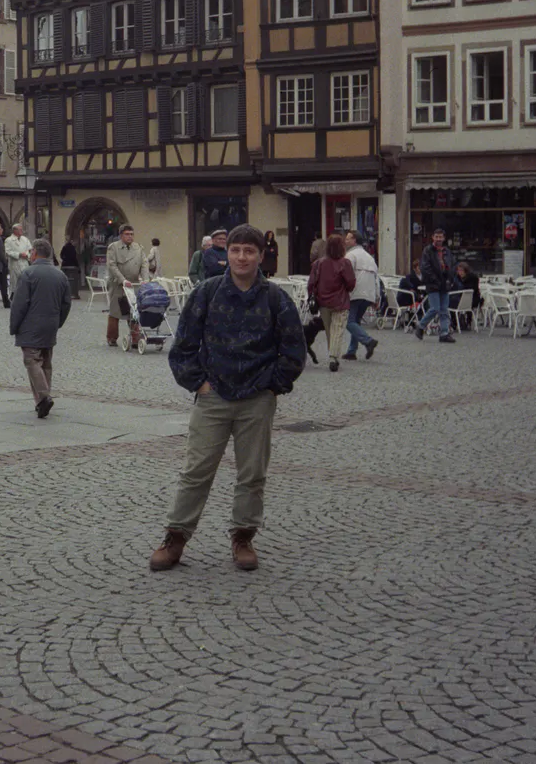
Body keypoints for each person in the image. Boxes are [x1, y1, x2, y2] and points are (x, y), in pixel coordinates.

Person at [149, 224, 306, 573]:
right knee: (196, 471)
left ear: (260, 257)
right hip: (214, 396)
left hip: (257, 399)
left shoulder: (276, 299)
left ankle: (243, 537)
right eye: (236, 250)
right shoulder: (206, 293)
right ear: (226, 254)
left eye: (249, 251)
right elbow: (183, 346)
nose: (241, 257)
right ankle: (175, 537)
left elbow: (294, 350)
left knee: (252, 474)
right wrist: (199, 384)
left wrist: (273, 386)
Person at [10, 238, 71, 418]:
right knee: (45, 361)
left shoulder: (28, 274)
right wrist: (58, 322)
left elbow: (19, 304)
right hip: (50, 324)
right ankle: (41, 401)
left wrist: (14, 326)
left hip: (30, 325)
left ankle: (44, 397)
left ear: (35, 253)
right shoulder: (60, 275)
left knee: (32, 360)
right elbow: (66, 303)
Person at [308, 234, 354, 372]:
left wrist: (311, 296)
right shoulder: (345, 263)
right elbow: (351, 283)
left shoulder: (318, 263)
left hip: (323, 302)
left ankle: (333, 355)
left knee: (329, 331)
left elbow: (311, 283)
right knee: (337, 330)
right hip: (340, 301)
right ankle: (333, 357)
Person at [105, 224, 147, 349]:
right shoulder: (113, 247)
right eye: (127, 234)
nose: (130, 237)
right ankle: (112, 338)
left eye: (132, 234)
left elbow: (144, 264)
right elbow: (112, 265)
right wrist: (122, 280)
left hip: (133, 284)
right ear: (121, 235)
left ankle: (135, 338)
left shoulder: (138, 248)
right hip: (118, 284)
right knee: (115, 311)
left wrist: (145, 280)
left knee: (134, 311)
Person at [414, 229, 456, 343]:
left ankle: (444, 333)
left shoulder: (447, 251)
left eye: (440, 237)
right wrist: (435, 280)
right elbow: (425, 268)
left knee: (444, 310)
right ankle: (421, 326)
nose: (438, 239)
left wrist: (450, 278)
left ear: (444, 238)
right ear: (432, 237)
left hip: (445, 284)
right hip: (433, 284)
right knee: (435, 308)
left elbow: (452, 265)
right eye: (436, 237)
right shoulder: (427, 251)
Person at [343, 231, 379, 361]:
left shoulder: (350, 255)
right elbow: (376, 278)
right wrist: (377, 297)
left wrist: (344, 291)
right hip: (369, 294)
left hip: (355, 292)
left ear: (354, 241)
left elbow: (346, 275)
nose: (345, 241)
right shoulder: (370, 257)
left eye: (348, 239)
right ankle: (351, 351)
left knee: (348, 322)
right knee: (356, 321)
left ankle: (368, 341)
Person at [450, 261, 482, 331]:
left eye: (462, 270)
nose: (460, 272)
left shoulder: (473, 278)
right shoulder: (457, 278)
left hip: (473, 299)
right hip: (460, 298)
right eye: (458, 271)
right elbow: (454, 288)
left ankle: (467, 321)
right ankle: (454, 322)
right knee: (450, 301)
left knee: (454, 302)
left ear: (466, 271)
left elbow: (472, 290)